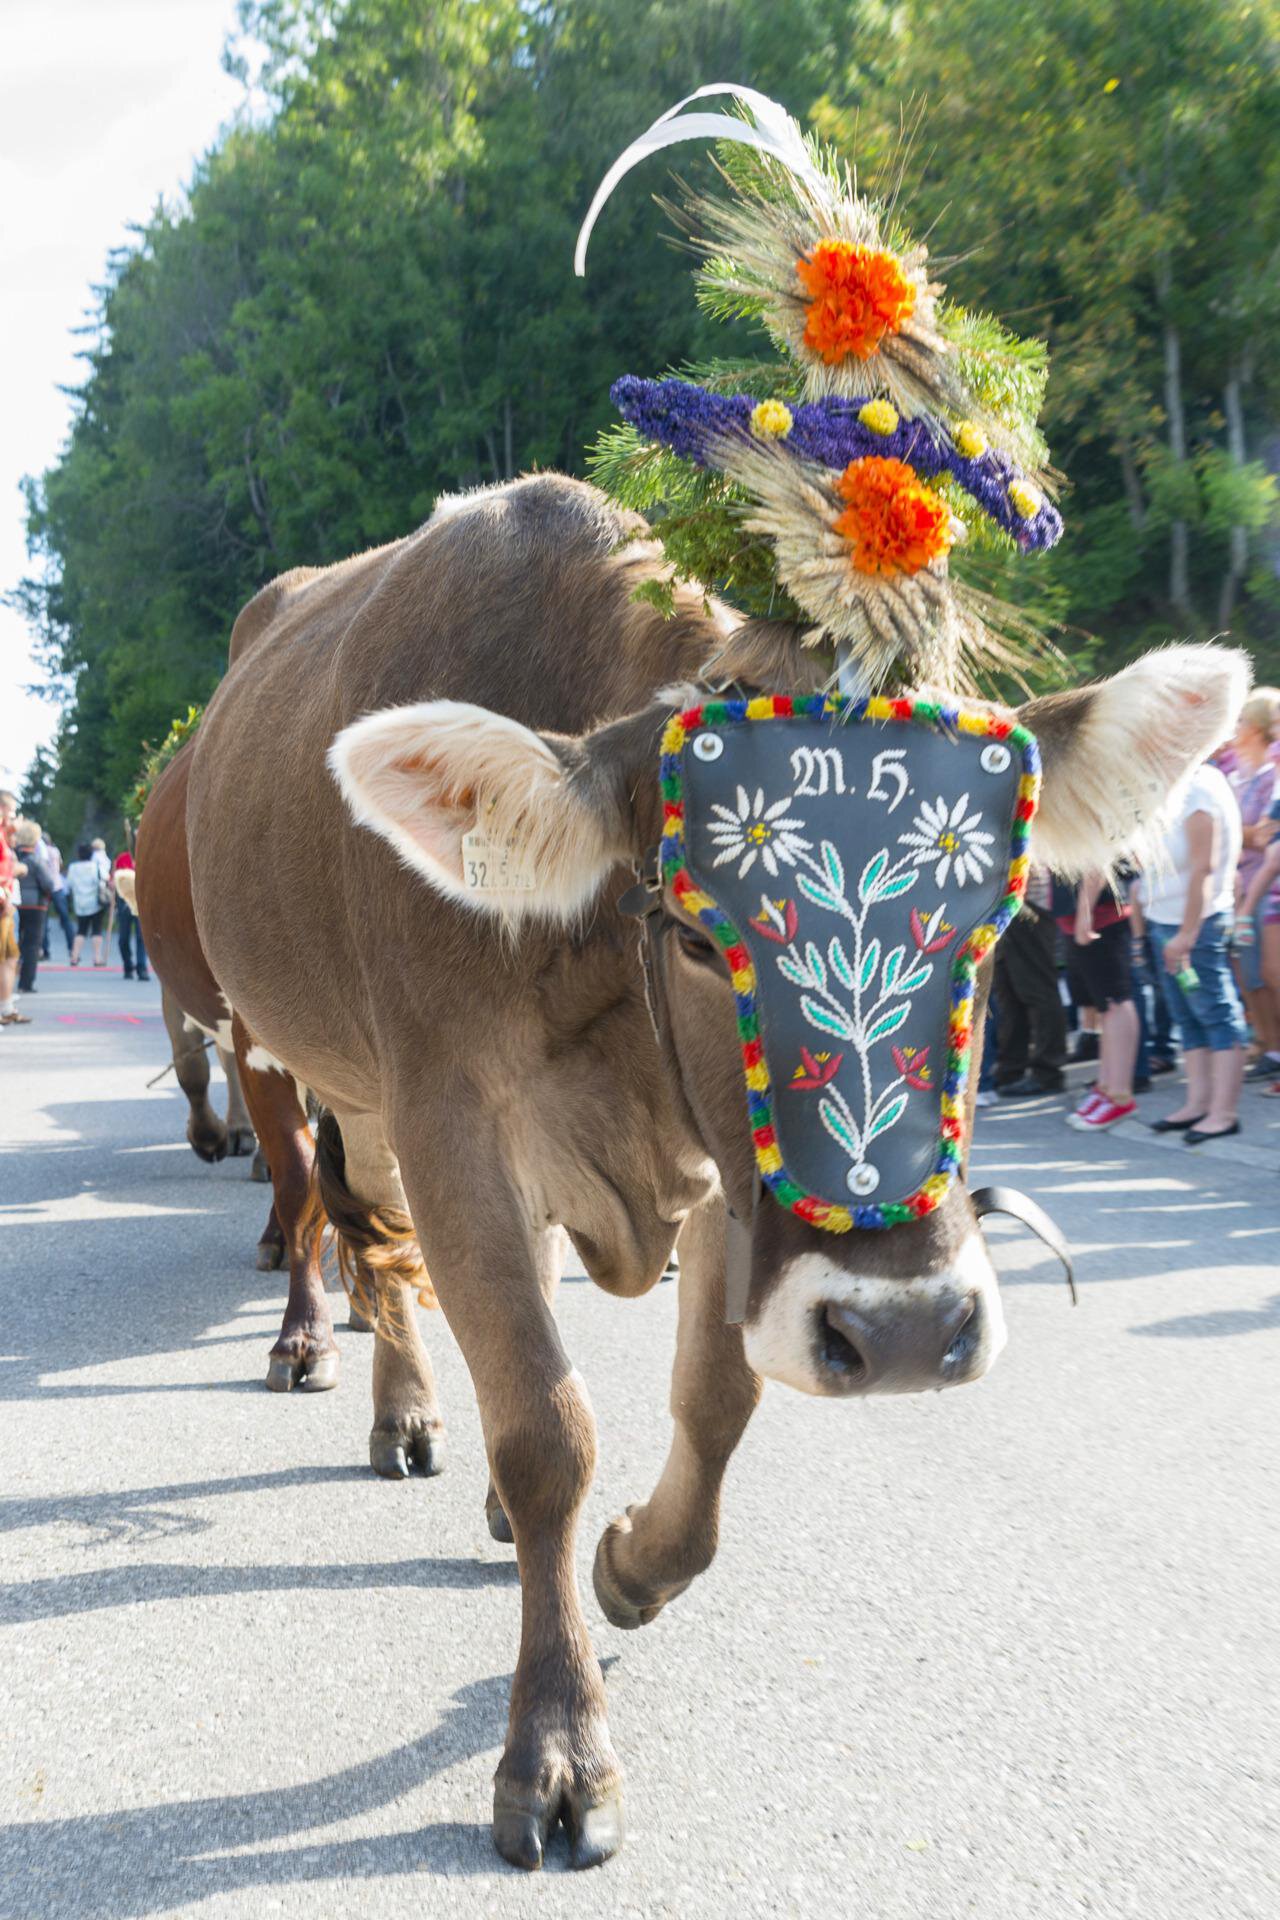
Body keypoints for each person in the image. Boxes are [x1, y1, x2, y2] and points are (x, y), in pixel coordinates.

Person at [1137, 759, 1246, 1142]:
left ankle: (1223, 1113)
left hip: (1196, 924)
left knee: (1215, 1012)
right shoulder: (1173, 785)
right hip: (1165, 921)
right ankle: (1198, 1104)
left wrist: (1187, 933)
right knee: (1186, 1015)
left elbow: (1204, 867)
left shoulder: (1200, 788)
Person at [1056, 871, 1140, 1131]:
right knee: (1106, 1008)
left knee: (1115, 1002)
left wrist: (1085, 913)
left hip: (1102, 915)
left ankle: (1120, 1094)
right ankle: (1106, 1088)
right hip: (1082, 916)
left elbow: (1097, 863)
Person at [1226, 690, 1280, 1077]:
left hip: (1265, 883)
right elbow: (1250, 832)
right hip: (1235, 885)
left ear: (1258, 729)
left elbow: (1265, 837)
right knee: (1246, 971)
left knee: (1270, 970)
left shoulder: (1269, 777)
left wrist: (1230, 832)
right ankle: (1268, 1045)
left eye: (1242, 720)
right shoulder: (1233, 778)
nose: (1235, 727)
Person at [992, 863, 1067, 1095]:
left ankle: (1048, 1072)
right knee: (1009, 995)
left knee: (1038, 991)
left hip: (1028, 902)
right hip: (1006, 903)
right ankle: (1011, 1069)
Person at [13, 820, 55, 994]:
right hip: (35, 906)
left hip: (14, 903)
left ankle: (9, 979)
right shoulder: (37, 861)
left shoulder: (13, 858)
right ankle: (26, 983)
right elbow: (49, 884)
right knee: (31, 945)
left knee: (13, 942)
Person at [0, 789, 30, 1026]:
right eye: (11, 814)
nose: (13, 820)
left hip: (6, 904)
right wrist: (4, 896)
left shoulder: (4, 836)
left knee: (10, 958)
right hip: (3, 903)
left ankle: (6, 1006)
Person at [66, 841, 108, 966]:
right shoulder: (95, 867)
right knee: (97, 930)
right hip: (95, 903)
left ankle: (74, 956)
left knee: (81, 930)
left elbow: (69, 884)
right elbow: (103, 879)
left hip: (80, 904)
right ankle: (97, 958)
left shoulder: (73, 867)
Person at [112, 847, 149, 980]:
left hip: (139, 904)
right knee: (123, 939)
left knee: (141, 937)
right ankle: (128, 966)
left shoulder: (144, 860)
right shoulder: (122, 859)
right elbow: (114, 880)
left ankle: (142, 968)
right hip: (124, 904)